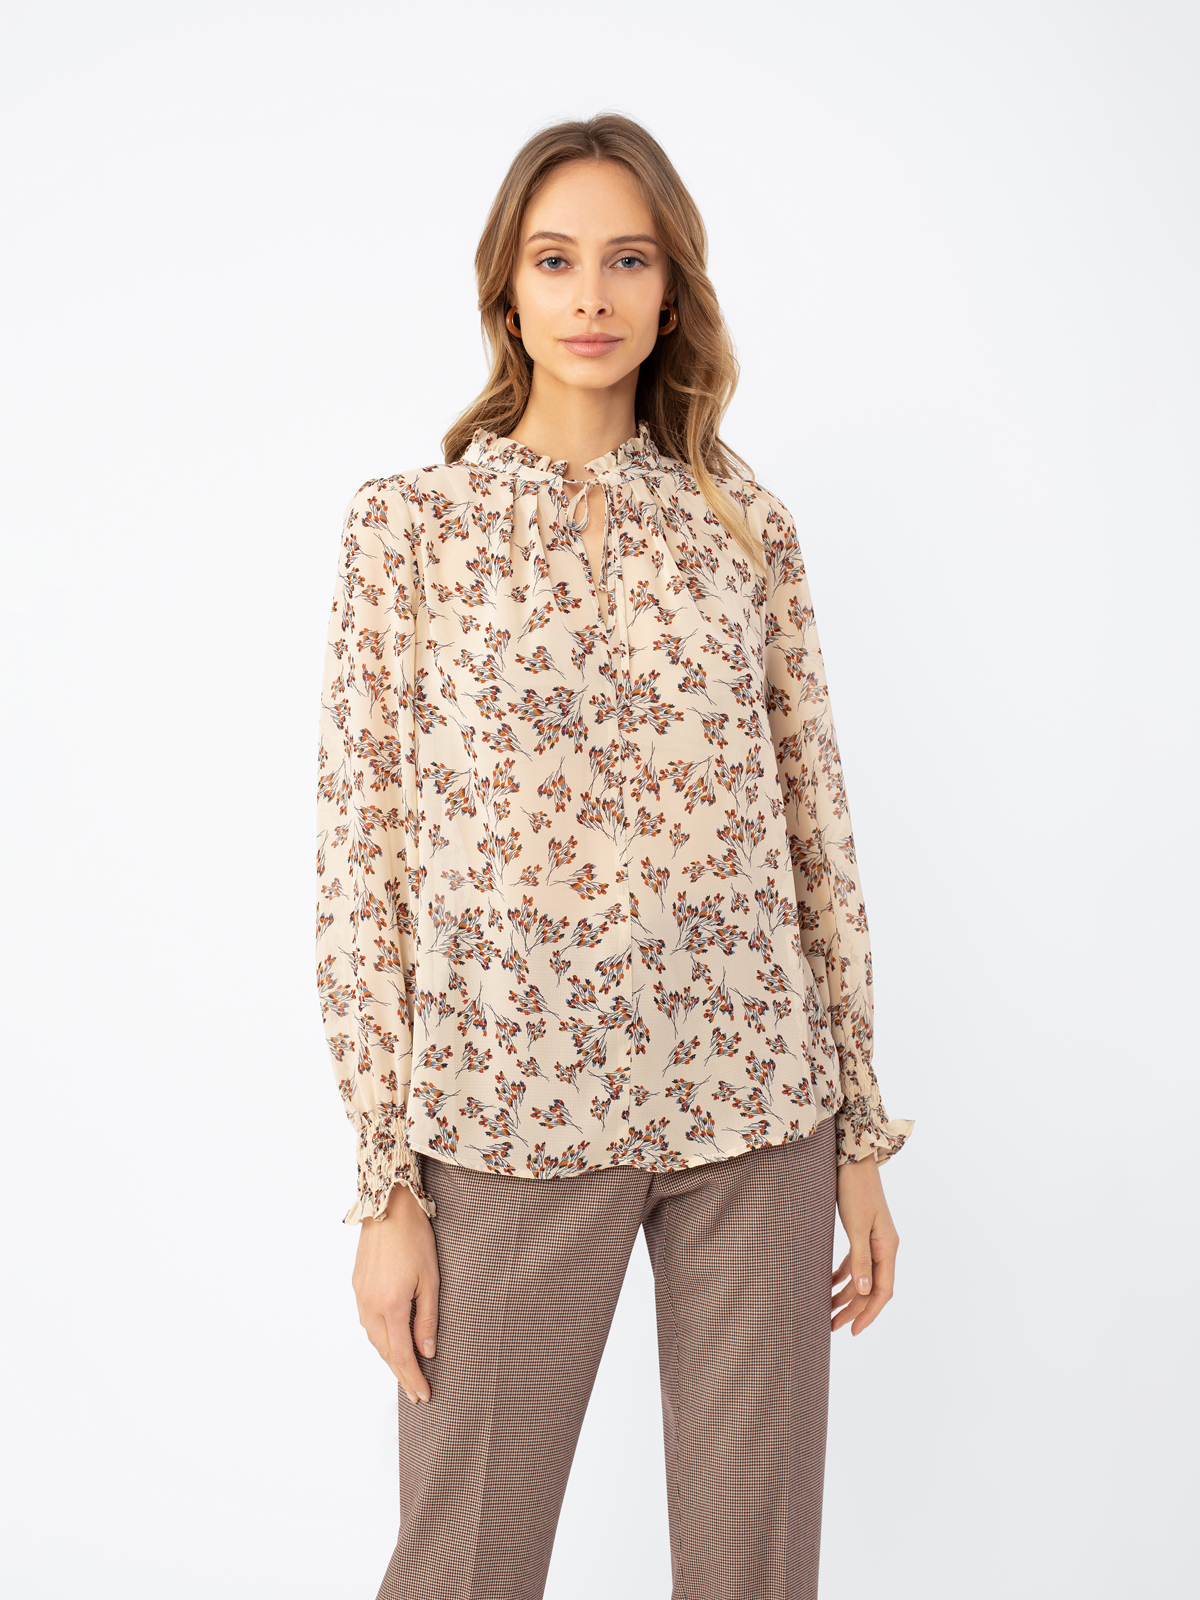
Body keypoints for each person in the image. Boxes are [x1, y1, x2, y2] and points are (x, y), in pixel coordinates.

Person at [314, 112, 914, 1600]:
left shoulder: (743, 525)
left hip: (755, 1113)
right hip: (508, 1119)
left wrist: (857, 1132)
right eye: (556, 259)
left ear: (672, 290)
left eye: (628, 260)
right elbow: (361, 861)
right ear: (506, 291)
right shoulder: (410, 533)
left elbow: (815, 831)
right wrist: (386, 1182)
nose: (592, 294)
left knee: (754, 1568)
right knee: (463, 1565)